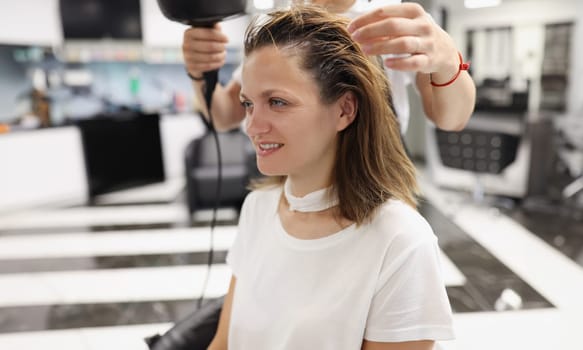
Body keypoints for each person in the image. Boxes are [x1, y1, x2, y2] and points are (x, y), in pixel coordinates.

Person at [207, 5, 454, 350]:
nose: (252, 126)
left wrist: (449, 62)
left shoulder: (399, 242)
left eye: (277, 102)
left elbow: (453, 111)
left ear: (344, 109)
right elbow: (223, 343)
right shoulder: (257, 209)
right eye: (249, 104)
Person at [182, 0, 475, 134]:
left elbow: (451, 119)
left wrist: (449, 61)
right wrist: (198, 70)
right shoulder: (276, 21)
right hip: (295, 184)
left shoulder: (392, 17)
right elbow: (224, 116)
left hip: (376, 183)